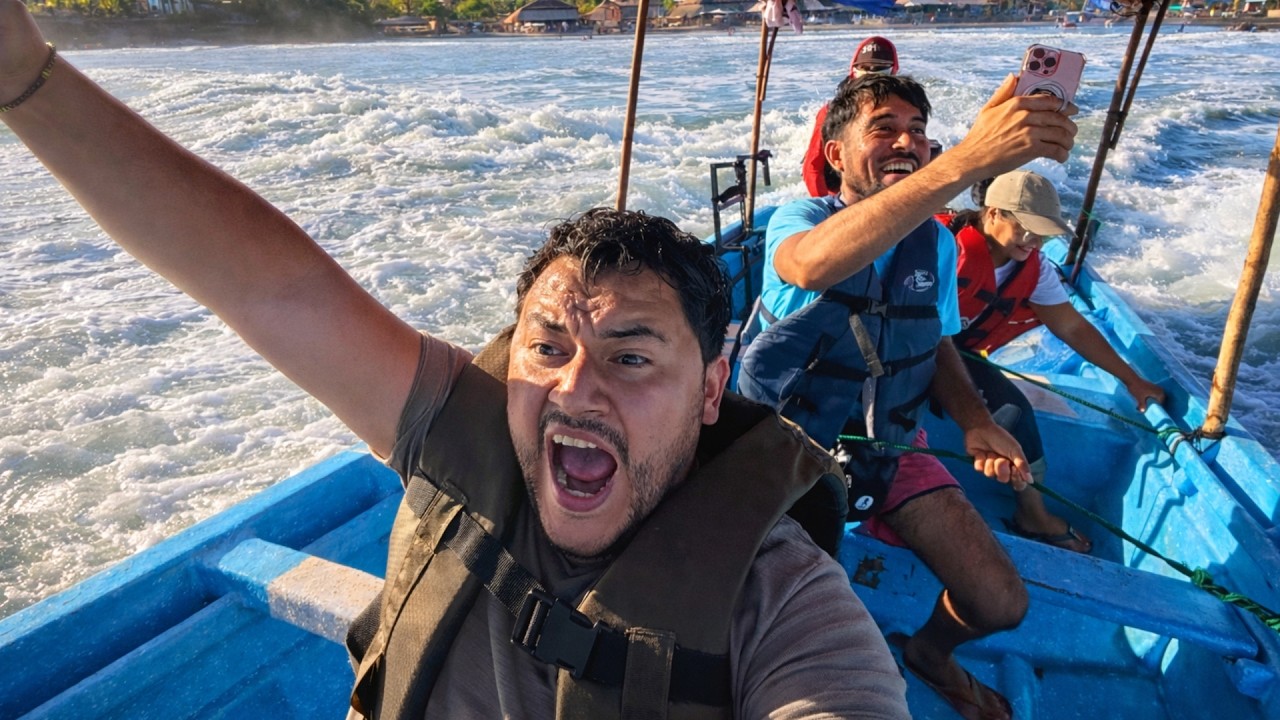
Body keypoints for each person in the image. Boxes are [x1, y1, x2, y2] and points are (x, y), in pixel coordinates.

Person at [0, 2, 910, 718]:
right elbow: (270, 290)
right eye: (547, 347)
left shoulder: (784, 603)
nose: (573, 390)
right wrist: (25, 80)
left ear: (714, 389)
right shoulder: (466, 426)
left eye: (632, 360)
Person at [737, 72, 1079, 720]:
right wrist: (968, 161)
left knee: (999, 599)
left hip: (890, 443)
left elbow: (937, 340)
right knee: (750, 606)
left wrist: (975, 420)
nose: (907, 141)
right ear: (835, 155)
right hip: (784, 451)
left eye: (919, 132)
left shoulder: (937, 244)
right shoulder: (802, 220)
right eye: (885, 128)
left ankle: (929, 652)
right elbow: (811, 266)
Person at [946, 169, 1167, 552]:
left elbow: (1071, 327)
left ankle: (1032, 515)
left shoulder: (1034, 269)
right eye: (1027, 228)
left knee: (1015, 413)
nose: (1036, 241)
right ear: (994, 213)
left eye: (1043, 231)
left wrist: (1132, 380)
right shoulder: (943, 248)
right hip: (908, 347)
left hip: (959, 355)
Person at [802, 36, 900, 198]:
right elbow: (812, 168)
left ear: (893, 72)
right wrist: (829, 209)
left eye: (879, 69)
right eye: (865, 68)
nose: (871, 76)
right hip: (841, 197)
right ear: (854, 72)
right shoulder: (831, 113)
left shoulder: (905, 111)